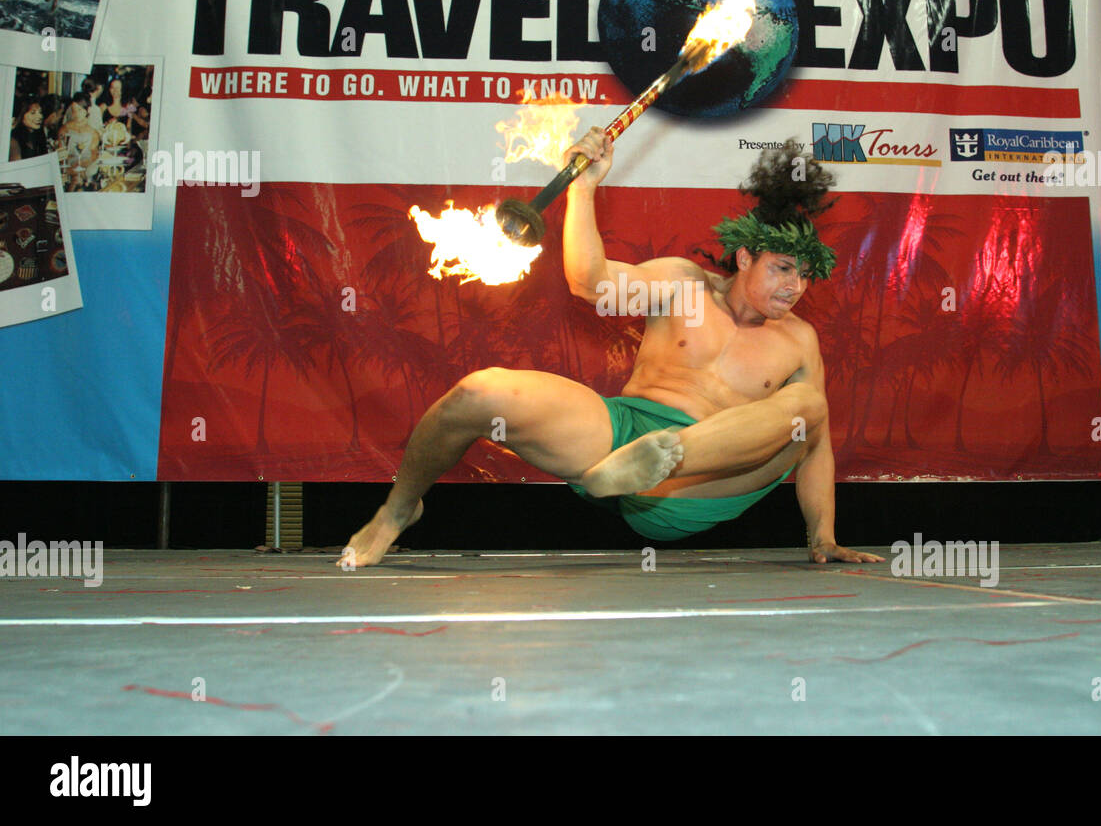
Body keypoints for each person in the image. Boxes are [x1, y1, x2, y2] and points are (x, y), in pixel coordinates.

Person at [340, 131, 880, 567]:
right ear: (743, 258)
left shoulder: (799, 340)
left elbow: (816, 445)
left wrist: (822, 536)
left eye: (805, 276)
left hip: (702, 483)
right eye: (783, 268)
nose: (795, 286)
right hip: (621, 434)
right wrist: (585, 187)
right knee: (478, 392)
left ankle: (649, 464)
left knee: (809, 409)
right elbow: (591, 284)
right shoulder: (683, 283)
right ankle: (397, 511)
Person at [9, 96, 48, 161]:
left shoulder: (38, 135)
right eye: (33, 113)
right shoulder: (13, 139)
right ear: (21, 115)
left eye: (40, 112)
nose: (40, 116)